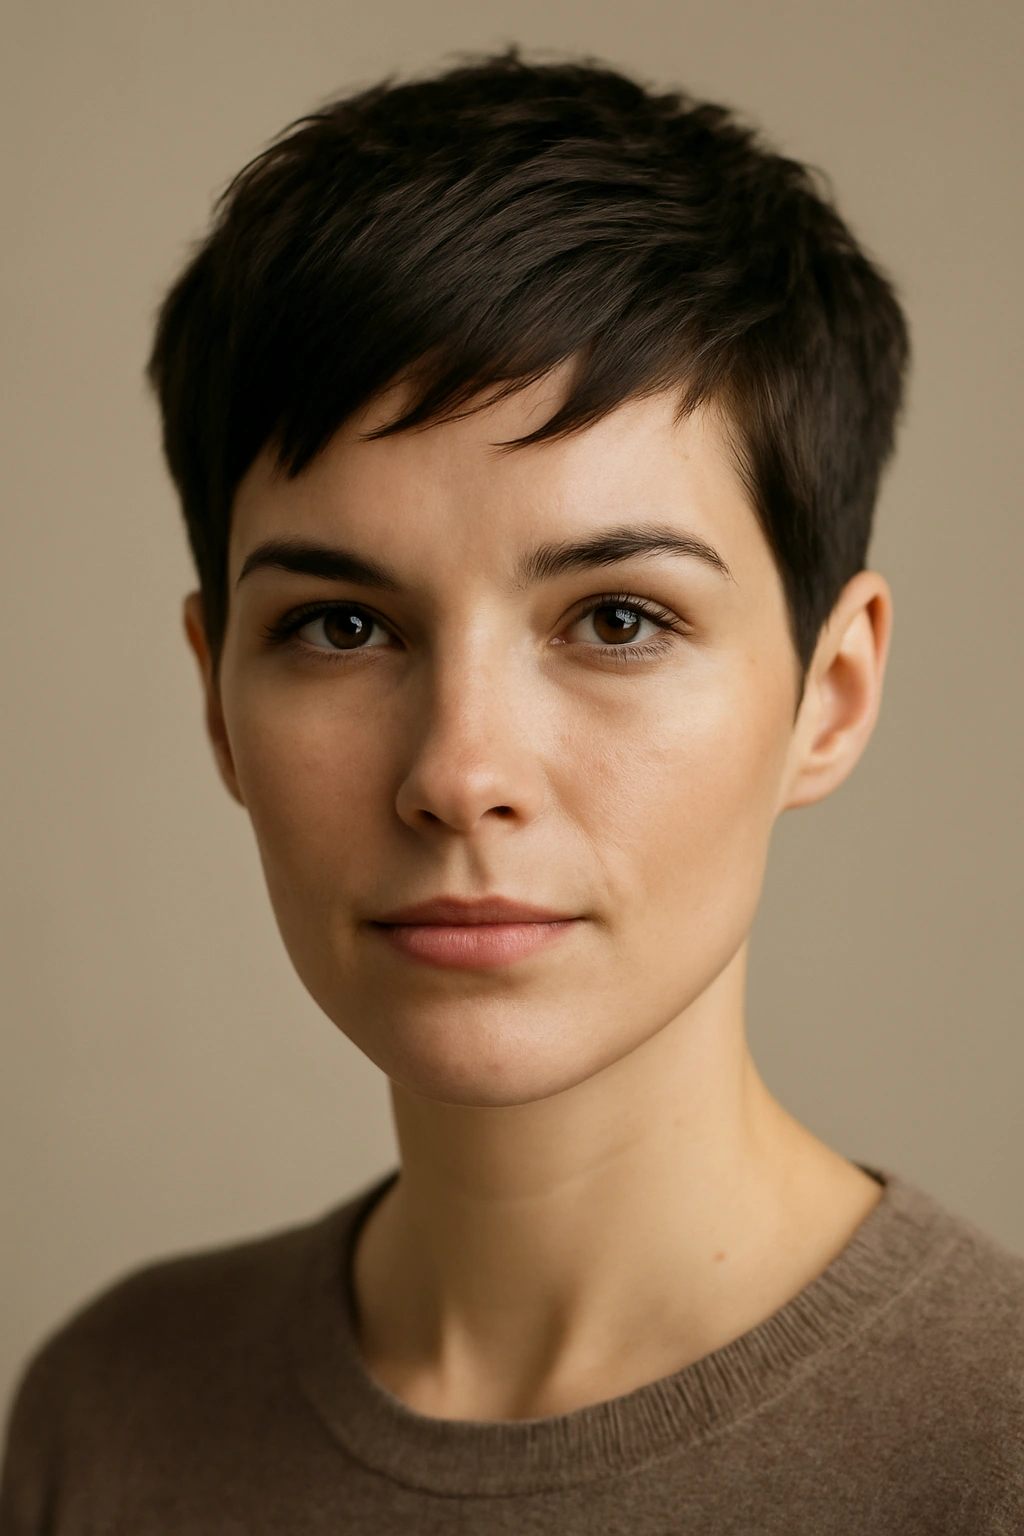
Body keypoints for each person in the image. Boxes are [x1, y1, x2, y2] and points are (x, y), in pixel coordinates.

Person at [1, 50, 1021, 1535]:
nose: (459, 774)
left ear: (833, 692)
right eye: (340, 627)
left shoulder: (991, 1453)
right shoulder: (107, 1420)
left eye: (618, 618)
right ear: (218, 696)